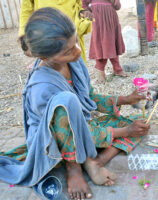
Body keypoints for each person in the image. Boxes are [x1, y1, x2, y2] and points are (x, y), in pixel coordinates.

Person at [0, 7, 150, 200]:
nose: (78, 52)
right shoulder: (42, 87)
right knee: (67, 101)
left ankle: (97, 161)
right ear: (44, 57)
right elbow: (64, 130)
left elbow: (90, 98)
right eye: (69, 51)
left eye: (76, 43)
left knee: (139, 122)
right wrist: (125, 133)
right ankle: (74, 167)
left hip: (82, 127)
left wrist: (127, 99)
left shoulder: (73, 61)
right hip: (54, 142)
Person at [19, 0, 91, 64]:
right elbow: (26, 10)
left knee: (77, 65)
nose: (79, 51)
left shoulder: (76, 48)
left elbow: (80, 5)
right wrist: (25, 39)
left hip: (72, 32)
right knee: (54, 64)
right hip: (47, 34)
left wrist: (83, 21)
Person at [81, 0, 127, 84]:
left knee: (112, 42)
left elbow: (118, 6)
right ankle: (101, 73)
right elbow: (83, 3)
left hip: (111, 17)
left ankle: (117, 69)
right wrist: (88, 11)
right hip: (98, 19)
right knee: (100, 44)